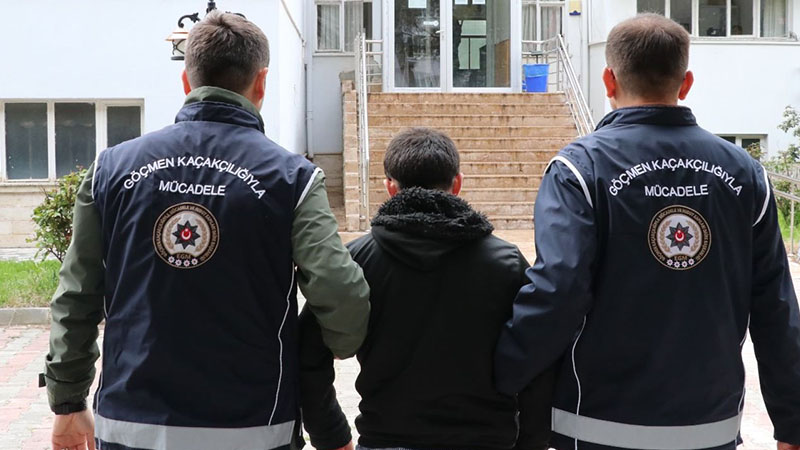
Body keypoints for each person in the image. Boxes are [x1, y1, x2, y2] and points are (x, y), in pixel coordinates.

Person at [41, 12, 370, 450]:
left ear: (186, 82)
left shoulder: (111, 170)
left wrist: (67, 401)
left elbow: (77, 293)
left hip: (131, 426)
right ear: (261, 83)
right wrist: (341, 343)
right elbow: (339, 295)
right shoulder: (292, 178)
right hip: (254, 427)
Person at [494, 13, 800, 450]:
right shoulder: (745, 174)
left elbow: (559, 288)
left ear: (608, 80)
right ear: (686, 83)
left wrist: (502, 374)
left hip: (595, 427)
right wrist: (792, 422)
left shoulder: (579, 170)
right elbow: (776, 306)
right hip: (709, 430)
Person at [298, 127, 555, 450]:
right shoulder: (506, 262)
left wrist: (331, 435)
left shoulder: (356, 261)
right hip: (487, 439)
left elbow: (308, 353)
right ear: (457, 184)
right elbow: (538, 353)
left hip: (385, 439)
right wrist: (531, 440)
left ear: (390, 187)